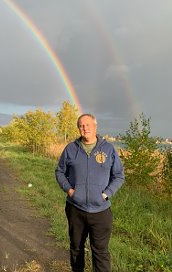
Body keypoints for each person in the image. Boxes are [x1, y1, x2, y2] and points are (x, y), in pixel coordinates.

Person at [55, 113, 125, 272]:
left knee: (100, 251)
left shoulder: (108, 149)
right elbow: (60, 172)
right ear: (78, 128)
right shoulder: (71, 149)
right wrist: (70, 191)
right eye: (81, 125)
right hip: (75, 209)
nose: (84, 128)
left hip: (101, 211)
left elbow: (119, 175)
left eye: (87, 125)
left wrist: (106, 194)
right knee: (76, 248)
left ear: (95, 126)